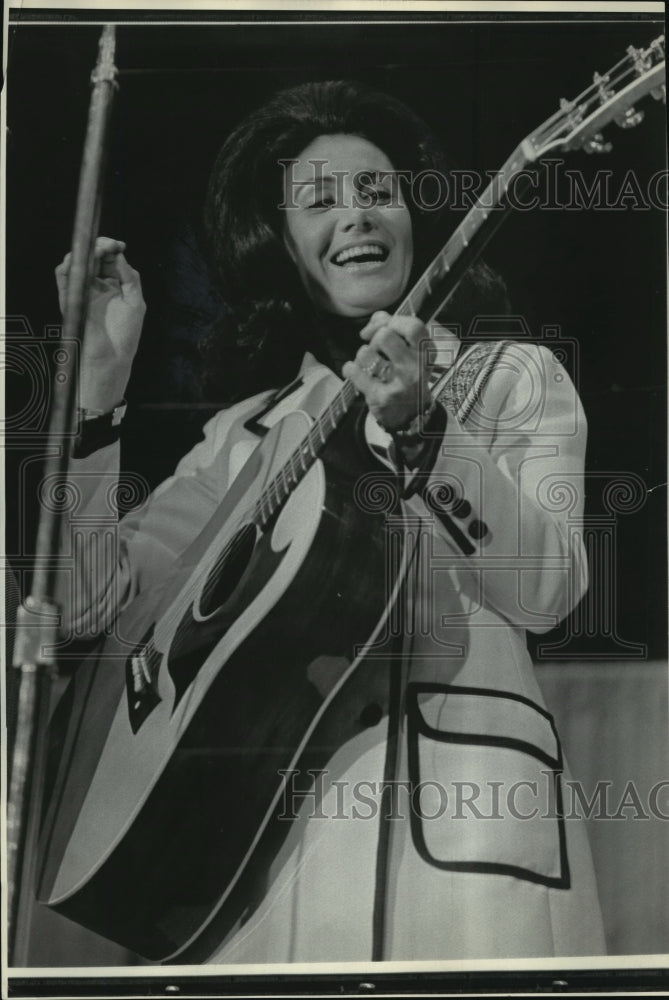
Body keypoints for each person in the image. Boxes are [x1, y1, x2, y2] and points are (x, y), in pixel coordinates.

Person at [54, 80, 605, 963]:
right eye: (318, 202)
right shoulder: (243, 438)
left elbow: (548, 593)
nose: (354, 216)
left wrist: (428, 429)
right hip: (252, 868)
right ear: (283, 246)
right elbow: (81, 605)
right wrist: (96, 398)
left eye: (376, 192)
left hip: (458, 855)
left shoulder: (511, 376)